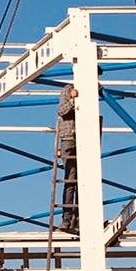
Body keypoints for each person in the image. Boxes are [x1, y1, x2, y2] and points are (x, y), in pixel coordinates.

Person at [56, 85, 79, 232]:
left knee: (83, 182)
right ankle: (67, 219)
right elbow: (61, 110)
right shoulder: (68, 89)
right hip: (69, 138)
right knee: (70, 180)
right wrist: (72, 100)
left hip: (82, 137)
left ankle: (79, 218)